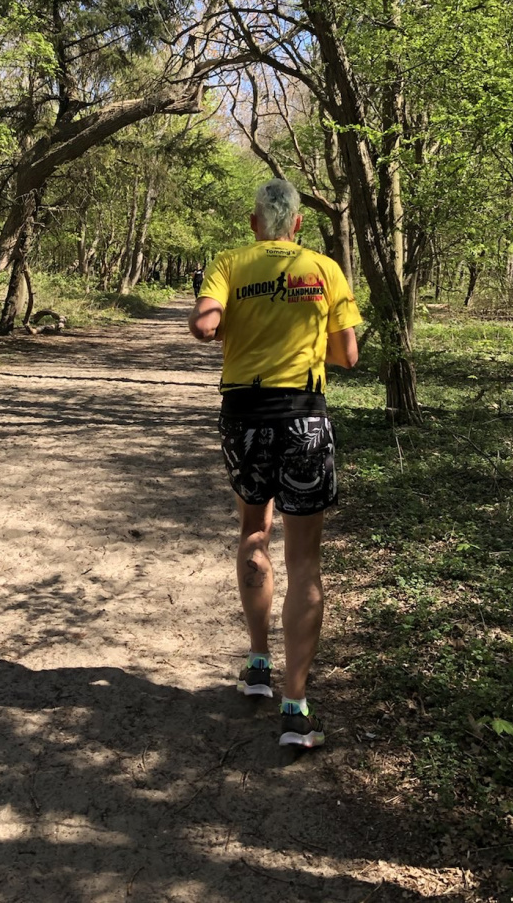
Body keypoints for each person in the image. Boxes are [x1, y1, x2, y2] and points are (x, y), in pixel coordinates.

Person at [188, 179, 361, 749]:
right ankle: (295, 705)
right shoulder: (325, 268)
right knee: (305, 559)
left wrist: (214, 316)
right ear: (298, 224)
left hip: (244, 414)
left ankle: (257, 664)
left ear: (254, 222)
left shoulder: (230, 263)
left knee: (252, 532)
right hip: (304, 416)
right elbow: (348, 355)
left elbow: (205, 325)